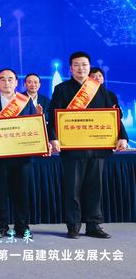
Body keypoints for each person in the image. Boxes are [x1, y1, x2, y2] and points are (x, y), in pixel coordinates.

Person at [48, 52, 129, 239]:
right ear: (70, 68)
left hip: (97, 148)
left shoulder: (99, 88)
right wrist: (53, 138)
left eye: (84, 64)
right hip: (72, 149)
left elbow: (113, 115)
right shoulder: (62, 89)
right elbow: (53, 115)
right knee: (72, 189)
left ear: (89, 67)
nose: (81, 68)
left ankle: (93, 225)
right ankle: (73, 225)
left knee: (95, 188)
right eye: (76, 65)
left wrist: (122, 136)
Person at [0, 68, 36, 238]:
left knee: (22, 193)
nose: (6, 82)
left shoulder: (26, 101)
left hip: (22, 156)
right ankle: (0, 227)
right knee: (0, 193)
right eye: (2, 79)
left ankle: (22, 227)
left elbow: (33, 126)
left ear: (16, 83)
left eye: (10, 79)